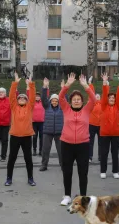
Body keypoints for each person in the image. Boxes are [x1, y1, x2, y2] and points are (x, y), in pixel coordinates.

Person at [58, 73, 96, 206]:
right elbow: (60, 97)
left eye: (78, 99)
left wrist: (86, 86)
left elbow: (93, 99)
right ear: (71, 101)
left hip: (83, 145)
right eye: (74, 99)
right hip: (66, 144)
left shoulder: (87, 110)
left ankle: (83, 197)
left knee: (82, 172)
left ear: (82, 101)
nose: (76, 100)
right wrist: (67, 85)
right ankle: (67, 196)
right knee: (67, 171)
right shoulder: (66, 108)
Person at [4, 73, 36, 187]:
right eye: (20, 98)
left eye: (24, 98)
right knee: (12, 158)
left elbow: (32, 96)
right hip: (15, 136)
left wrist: (31, 84)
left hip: (27, 136)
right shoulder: (14, 106)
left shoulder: (29, 106)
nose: (21, 99)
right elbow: (11, 95)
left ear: (26, 100)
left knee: (28, 159)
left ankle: (30, 178)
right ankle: (9, 178)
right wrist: (15, 83)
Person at [99, 73, 119, 179]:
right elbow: (105, 94)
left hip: (116, 134)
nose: (112, 99)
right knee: (104, 153)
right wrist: (104, 82)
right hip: (104, 134)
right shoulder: (103, 106)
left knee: (115, 153)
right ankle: (103, 171)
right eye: (110, 98)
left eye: (113, 98)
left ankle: (115, 171)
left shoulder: (118, 106)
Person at [39, 78, 65, 171]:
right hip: (47, 131)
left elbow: (64, 99)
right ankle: (44, 165)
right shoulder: (46, 106)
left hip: (59, 132)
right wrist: (45, 87)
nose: (54, 102)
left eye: (56, 101)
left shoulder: (62, 107)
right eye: (53, 100)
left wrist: (63, 88)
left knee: (61, 151)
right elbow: (43, 98)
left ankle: (63, 165)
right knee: (45, 150)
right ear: (50, 101)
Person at [27, 81, 45, 157]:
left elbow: (46, 95)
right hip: (34, 122)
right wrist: (28, 86)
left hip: (42, 123)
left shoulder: (43, 102)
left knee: (42, 137)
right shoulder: (31, 102)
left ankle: (41, 150)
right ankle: (34, 149)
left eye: (38, 96)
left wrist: (46, 86)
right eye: (36, 96)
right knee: (34, 137)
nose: (37, 97)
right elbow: (28, 95)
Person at [88, 76, 102, 162]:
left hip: (100, 125)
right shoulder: (92, 103)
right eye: (96, 96)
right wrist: (90, 83)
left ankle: (100, 157)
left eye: (98, 96)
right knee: (90, 142)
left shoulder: (103, 104)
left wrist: (106, 83)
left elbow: (106, 93)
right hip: (91, 125)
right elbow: (91, 93)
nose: (97, 97)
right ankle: (90, 156)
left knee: (101, 143)